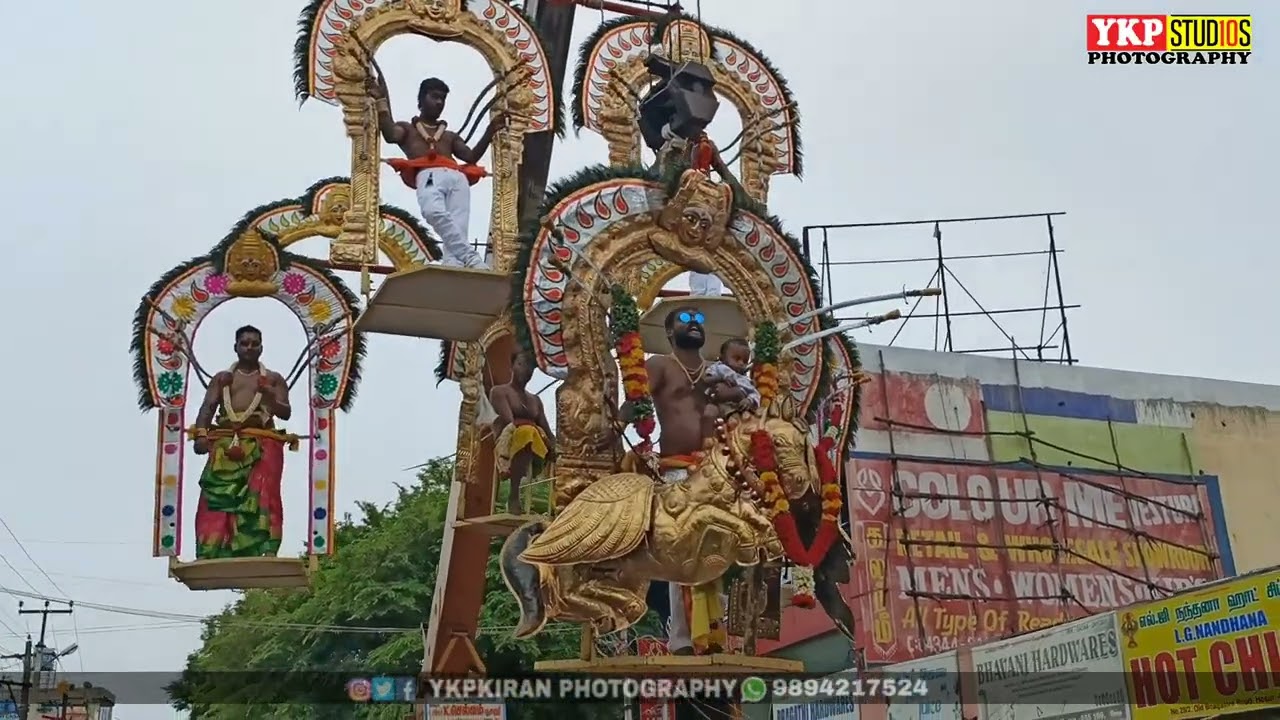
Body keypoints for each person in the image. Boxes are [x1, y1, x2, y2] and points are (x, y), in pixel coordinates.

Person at [625, 306, 741, 655]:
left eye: (700, 319)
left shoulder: (717, 371)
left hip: (713, 470)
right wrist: (617, 420)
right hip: (674, 468)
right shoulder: (660, 365)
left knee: (715, 551)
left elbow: (741, 403)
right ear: (669, 331)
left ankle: (713, 633)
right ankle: (682, 638)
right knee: (681, 550)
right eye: (685, 319)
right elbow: (636, 402)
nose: (694, 323)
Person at [368, 74, 506, 269]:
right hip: (429, 175)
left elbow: (470, 156)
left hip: (458, 178)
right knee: (433, 212)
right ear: (421, 100)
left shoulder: (449, 136)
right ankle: (471, 258)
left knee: (458, 225)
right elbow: (390, 134)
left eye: (443, 98)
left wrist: (490, 131)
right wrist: (381, 101)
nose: (439, 102)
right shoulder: (408, 129)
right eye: (434, 96)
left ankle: (454, 263)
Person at [190, 325, 293, 559]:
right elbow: (207, 408)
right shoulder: (222, 379)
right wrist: (201, 435)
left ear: (261, 348)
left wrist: (269, 395)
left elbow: (285, 412)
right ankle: (211, 551)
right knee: (215, 497)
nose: (249, 347)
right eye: (244, 343)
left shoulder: (273, 379)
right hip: (225, 444)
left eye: (254, 344)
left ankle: (265, 549)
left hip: (262, 443)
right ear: (235, 347)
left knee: (263, 495)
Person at [490, 351, 556, 515]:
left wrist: (558, 447)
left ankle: (557, 501)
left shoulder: (535, 400)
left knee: (558, 449)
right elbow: (509, 422)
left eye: (530, 367)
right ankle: (513, 494)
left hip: (534, 440)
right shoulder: (499, 392)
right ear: (512, 366)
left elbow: (547, 430)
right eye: (521, 364)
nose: (525, 370)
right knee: (526, 432)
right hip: (508, 439)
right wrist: (533, 428)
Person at [702, 337, 760, 421]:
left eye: (745, 361)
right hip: (716, 403)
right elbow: (705, 380)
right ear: (723, 358)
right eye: (737, 358)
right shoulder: (718, 367)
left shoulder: (745, 379)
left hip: (738, 408)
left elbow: (755, 394)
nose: (741, 363)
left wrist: (749, 400)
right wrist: (720, 378)